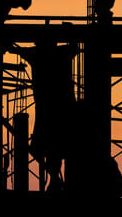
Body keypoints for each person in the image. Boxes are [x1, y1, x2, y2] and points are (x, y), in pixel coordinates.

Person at [11, 35, 79, 192]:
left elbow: (13, 49)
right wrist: (68, 31)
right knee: (61, 147)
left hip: (46, 107)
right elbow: (75, 46)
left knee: (45, 148)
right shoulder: (62, 52)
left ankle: (55, 179)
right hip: (64, 108)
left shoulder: (36, 54)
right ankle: (58, 180)